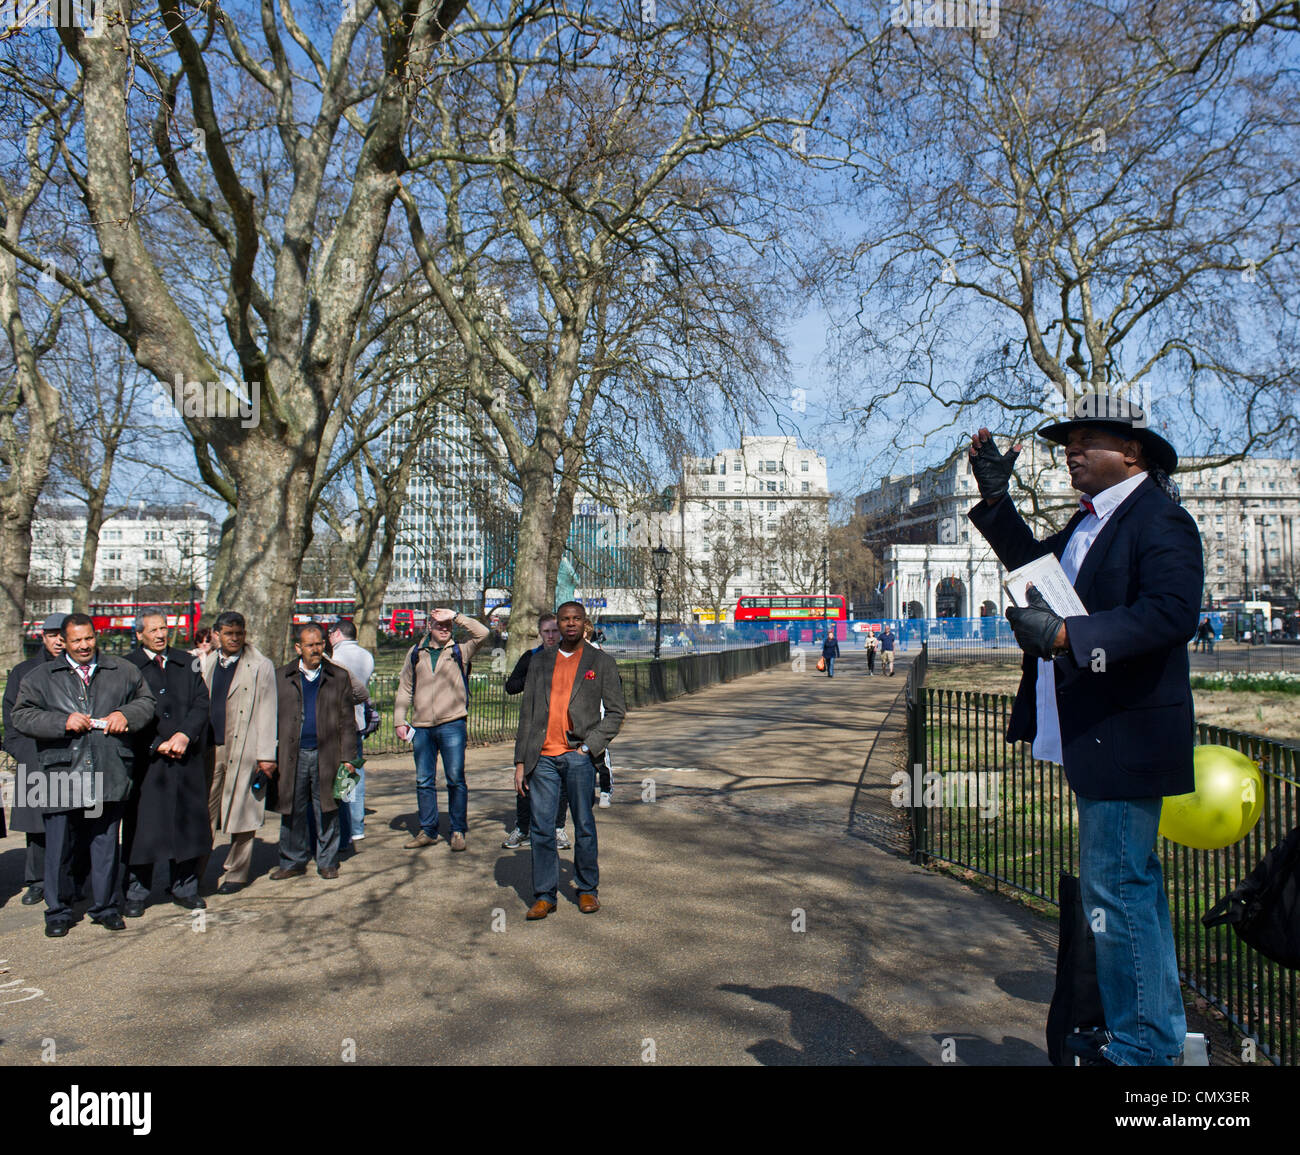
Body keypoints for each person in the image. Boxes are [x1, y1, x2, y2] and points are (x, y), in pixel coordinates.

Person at [967, 394, 1202, 1067]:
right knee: (1130, 888)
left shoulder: (1160, 519)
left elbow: (1170, 611)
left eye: (1084, 441)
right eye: (1065, 443)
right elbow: (1034, 569)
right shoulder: (1089, 522)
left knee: (1118, 889)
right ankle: (1151, 1036)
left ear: (1131, 452)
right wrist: (996, 500)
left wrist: (1071, 634)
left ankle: (1141, 1051)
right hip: (1096, 732)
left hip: (1128, 738)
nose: (1069, 452)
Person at [12, 613, 156, 937]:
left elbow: (146, 701)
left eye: (89, 638)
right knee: (59, 846)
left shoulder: (122, 670)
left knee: (105, 844)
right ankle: (58, 911)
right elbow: (21, 715)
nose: (84, 645)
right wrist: (60, 722)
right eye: (76, 640)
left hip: (109, 767)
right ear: (63, 641)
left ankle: (105, 907)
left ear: (96, 636)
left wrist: (125, 714)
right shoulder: (40, 677)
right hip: (61, 771)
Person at [513, 601, 626, 919]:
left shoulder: (600, 662)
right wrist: (521, 762)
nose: (570, 624)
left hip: (578, 756)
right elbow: (528, 714)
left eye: (576, 619)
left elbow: (616, 712)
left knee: (585, 826)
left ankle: (588, 889)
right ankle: (545, 894)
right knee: (541, 828)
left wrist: (590, 747)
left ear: (584, 623)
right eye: (565, 620)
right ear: (558, 624)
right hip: (543, 758)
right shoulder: (540, 662)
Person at [121, 609, 213, 915]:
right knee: (143, 828)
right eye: (153, 630)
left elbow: (202, 701)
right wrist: (156, 743)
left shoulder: (188, 661)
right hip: (148, 762)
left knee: (186, 824)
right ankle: (137, 890)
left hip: (185, 757)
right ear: (139, 634)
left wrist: (185, 735)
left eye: (164, 628)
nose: (161, 635)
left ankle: (184, 886)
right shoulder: (127, 666)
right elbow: (124, 710)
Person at [269, 623, 365, 880]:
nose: (316, 649)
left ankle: (327, 860)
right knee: (292, 809)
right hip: (293, 755)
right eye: (310, 645)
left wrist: (348, 758)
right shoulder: (281, 676)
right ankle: (292, 860)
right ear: (298, 647)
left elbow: (347, 721)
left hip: (328, 754)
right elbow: (269, 718)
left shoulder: (338, 677)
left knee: (328, 808)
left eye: (320, 644)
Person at [395, 607, 491, 851]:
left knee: (455, 779)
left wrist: (456, 615)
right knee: (424, 780)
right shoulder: (416, 652)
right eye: (440, 625)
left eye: (448, 625)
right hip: (422, 727)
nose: (445, 629)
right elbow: (405, 687)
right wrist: (399, 719)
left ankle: (458, 830)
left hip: (452, 723)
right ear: (430, 626)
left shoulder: (461, 650)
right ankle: (428, 830)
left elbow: (483, 633)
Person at [198, 611, 278, 894]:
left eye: (239, 633)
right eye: (228, 633)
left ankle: (237, 872)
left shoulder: (260, 665)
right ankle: (197, 871)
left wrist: (266, 754)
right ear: (217, 634)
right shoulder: (207, 661)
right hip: (211, 747)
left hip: (245, 746)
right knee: (204, 809)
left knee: (244, 810)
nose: (234, 638)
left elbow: (269, 709)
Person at [3, 614, 70, 906]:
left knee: (74, 822)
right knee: (38, 826)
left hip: (71, 755)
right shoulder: (24, 670)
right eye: (52, 634)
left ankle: (70, 878)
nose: (57, 640)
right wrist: (20, 750)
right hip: (34, 755)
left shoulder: (79, 669)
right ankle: (38, 880)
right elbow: (11, 715)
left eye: (62, 634)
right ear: (42, 637)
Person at [500, 612, 567, 848]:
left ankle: (558, 828)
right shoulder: (531, 657)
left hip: (562, 726)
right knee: (525, 776)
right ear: (540, 633)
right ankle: (523, 827)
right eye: (546, 631)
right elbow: (511, 687)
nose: (550, 636)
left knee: (562, 781)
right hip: (535, 725)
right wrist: (533, 676)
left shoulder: (569, 657)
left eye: (554, 631)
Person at [326, 618, 374, 851]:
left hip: (340, 722)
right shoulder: (367, 656)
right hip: (359, 721)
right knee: (358, 774)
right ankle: (357, 827)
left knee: (343, 775)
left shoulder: (334, 658)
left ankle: (344, 827)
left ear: (336, 635)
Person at [584, 619, 614, 808]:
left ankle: (605, 790)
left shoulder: (597, 655)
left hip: (597, 711)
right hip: (577, 714)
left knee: (599, 753)